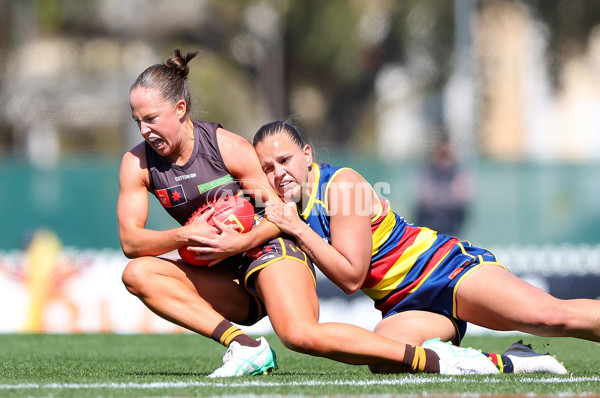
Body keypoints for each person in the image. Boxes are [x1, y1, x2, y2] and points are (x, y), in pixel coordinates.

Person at [117, 49, 557, 379]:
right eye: (137, 120)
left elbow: (284, 217)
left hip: (276, 255)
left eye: (151, 118)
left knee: (300, 335)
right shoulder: (136, 165)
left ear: (180, 109)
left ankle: (453, 360)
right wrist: (186, 236)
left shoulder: (233, 150)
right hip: (241, 278)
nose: (144, 130)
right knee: (138, 274)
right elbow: (131, 243)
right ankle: (243, 345)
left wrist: (239, 241)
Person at [252, 120, 600, 372]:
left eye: (285, 161)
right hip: (403, 304)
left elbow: (352, 278)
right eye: (267, 168)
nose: (278, 173)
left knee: (551, 317)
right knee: (386, 360)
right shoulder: (288, 211)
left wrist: (296, 229)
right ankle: (513, 362)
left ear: (307, 154)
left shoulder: (343, 186)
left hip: (445, 271)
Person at [415, 135, 472, 237]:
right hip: (427, 228)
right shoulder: (426, 170)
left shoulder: (458, 171)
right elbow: (426, 198)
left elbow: (461, 198)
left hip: (451, 228)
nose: (444, 158)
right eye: (442, 154)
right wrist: (447, 194)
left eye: (447, 154)